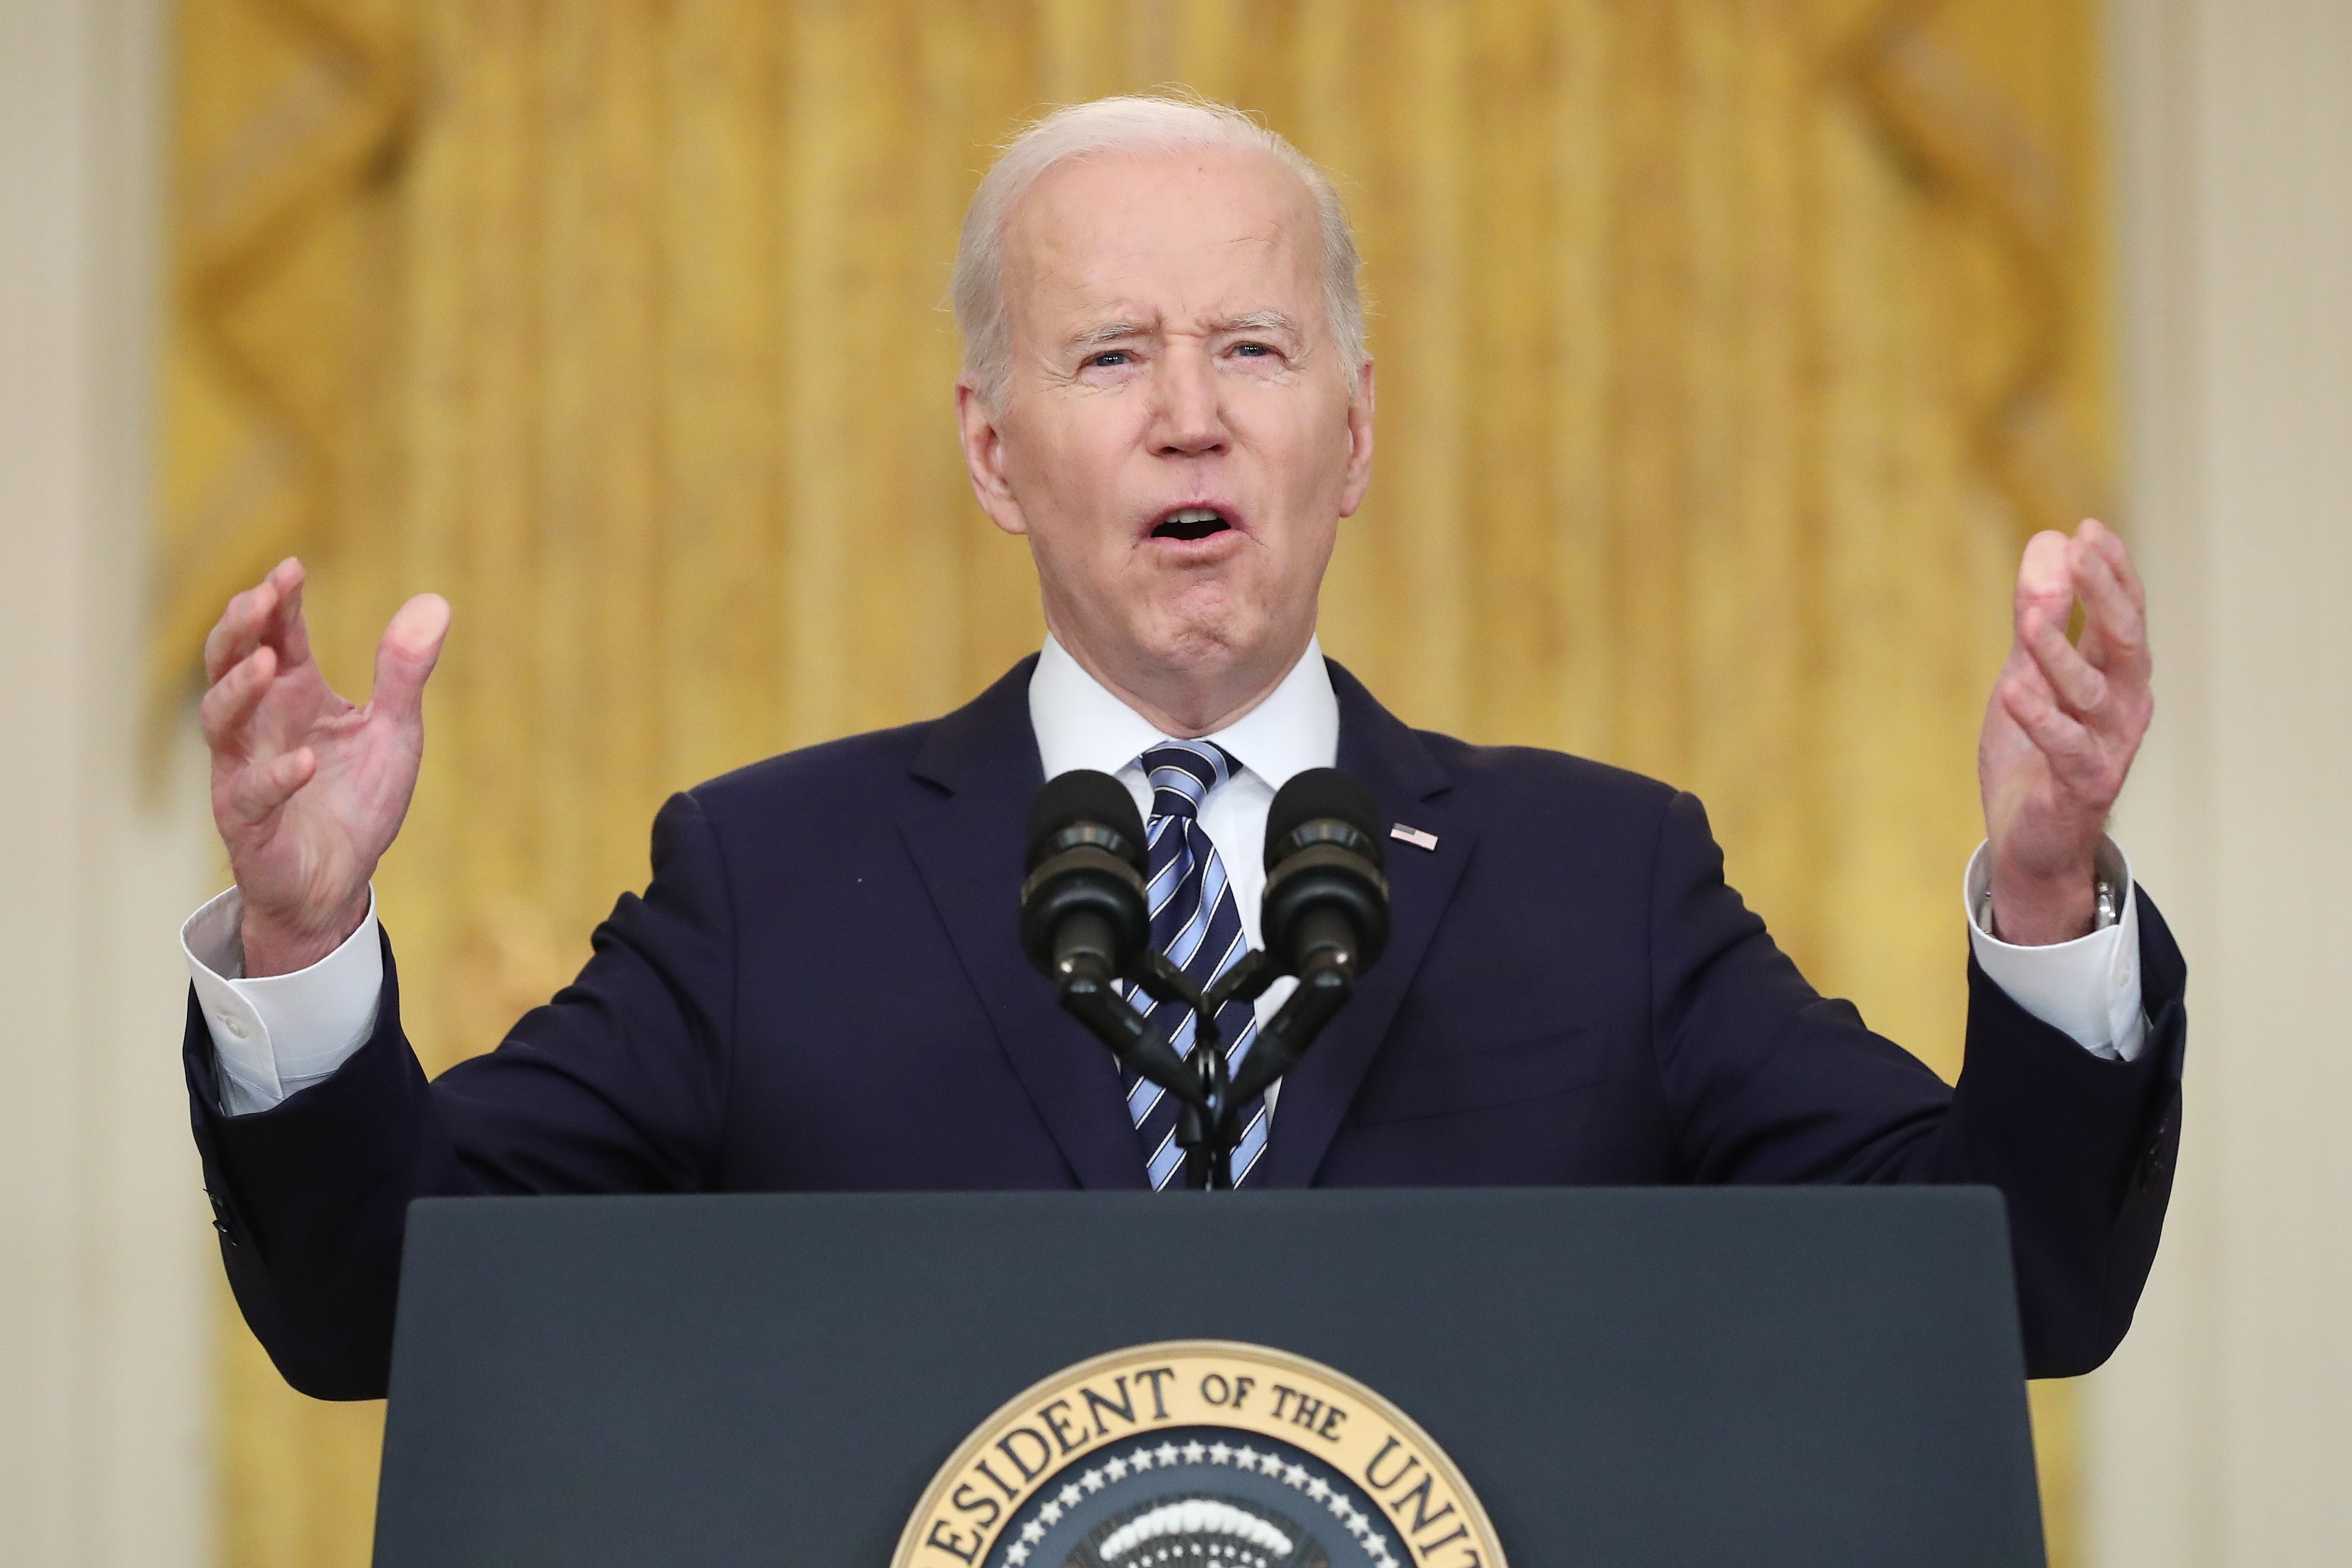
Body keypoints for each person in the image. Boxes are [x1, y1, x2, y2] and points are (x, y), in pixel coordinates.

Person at [183, 96, 2180, 1400]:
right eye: (1112, 355)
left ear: (1357, 433)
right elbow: (382, 1310)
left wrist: (2040, 889)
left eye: (1253, 348)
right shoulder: (768, 890)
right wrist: (302, 941)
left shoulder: (1607, 884)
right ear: (994, 449)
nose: (1192, 417)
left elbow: (2009, 1288)